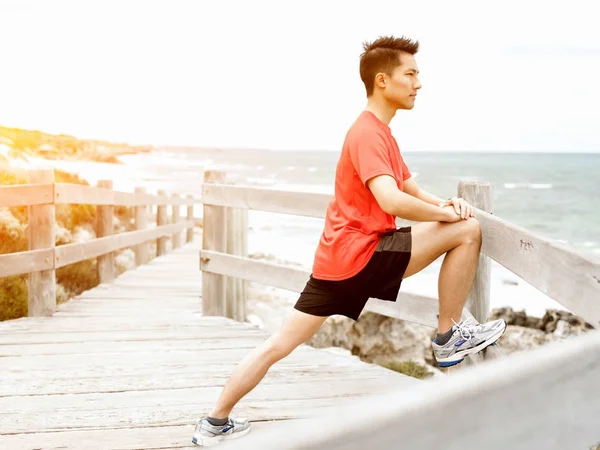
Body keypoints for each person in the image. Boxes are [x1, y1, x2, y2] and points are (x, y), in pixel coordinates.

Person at [192, 34, 507, 447]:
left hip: (335, 263)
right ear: (382, 80)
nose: (418, 83)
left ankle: (214, 422)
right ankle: (448, 336)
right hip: (364, 255)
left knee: (277, 345)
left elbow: (410, 189)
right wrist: (448, 216)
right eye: (410, 74)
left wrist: (442, 203)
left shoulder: (379, 134)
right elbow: (390, 198)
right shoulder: (367, 134)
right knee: (467, 231)